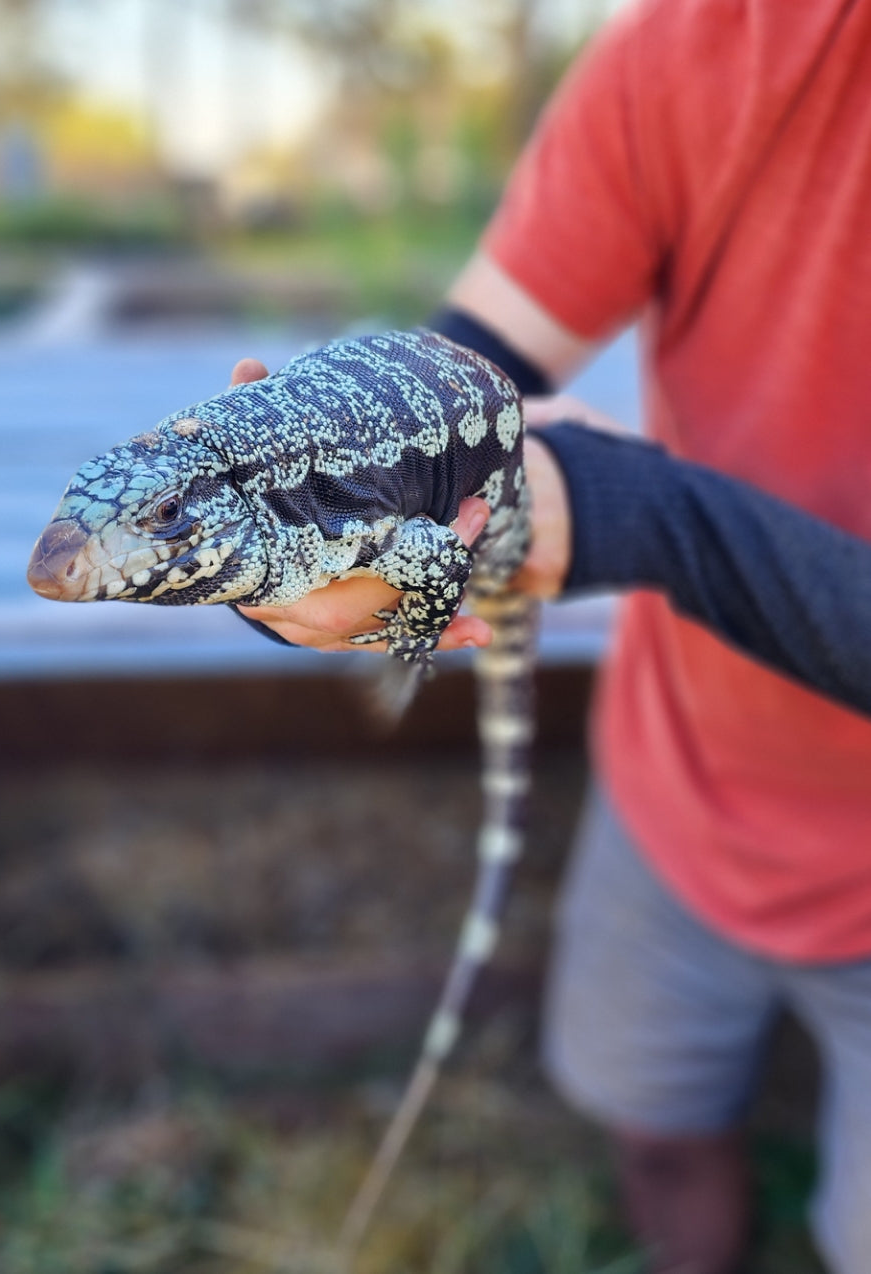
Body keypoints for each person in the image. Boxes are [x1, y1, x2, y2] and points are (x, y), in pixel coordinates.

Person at [237, 2, 871, 1270]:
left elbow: (606, 507)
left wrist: (618, 508)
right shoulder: (702, 44)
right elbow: (478, 359)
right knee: (652, 1124)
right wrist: (342, 466)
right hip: (676, 789)